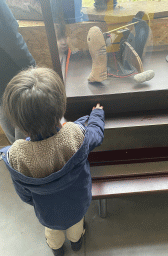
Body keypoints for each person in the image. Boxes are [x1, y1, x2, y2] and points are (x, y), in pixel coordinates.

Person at [0, 67, 105, 256]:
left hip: (47, 212)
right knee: (76, 224)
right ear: (62, 108)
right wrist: (96, 116)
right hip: (78, 203)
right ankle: (77, 242)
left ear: (19, 125)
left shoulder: (17, 156)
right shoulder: (74, 135)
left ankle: (57, 250)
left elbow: (23, 194)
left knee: (53, 232)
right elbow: (95, 135)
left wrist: (39, 200)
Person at [0, 0, 36, 144]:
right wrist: (30, 65)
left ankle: (16, 157)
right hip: (8, 67)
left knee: (3, 110)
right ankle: (25, 157)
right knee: (22, 113)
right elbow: (10, 35)